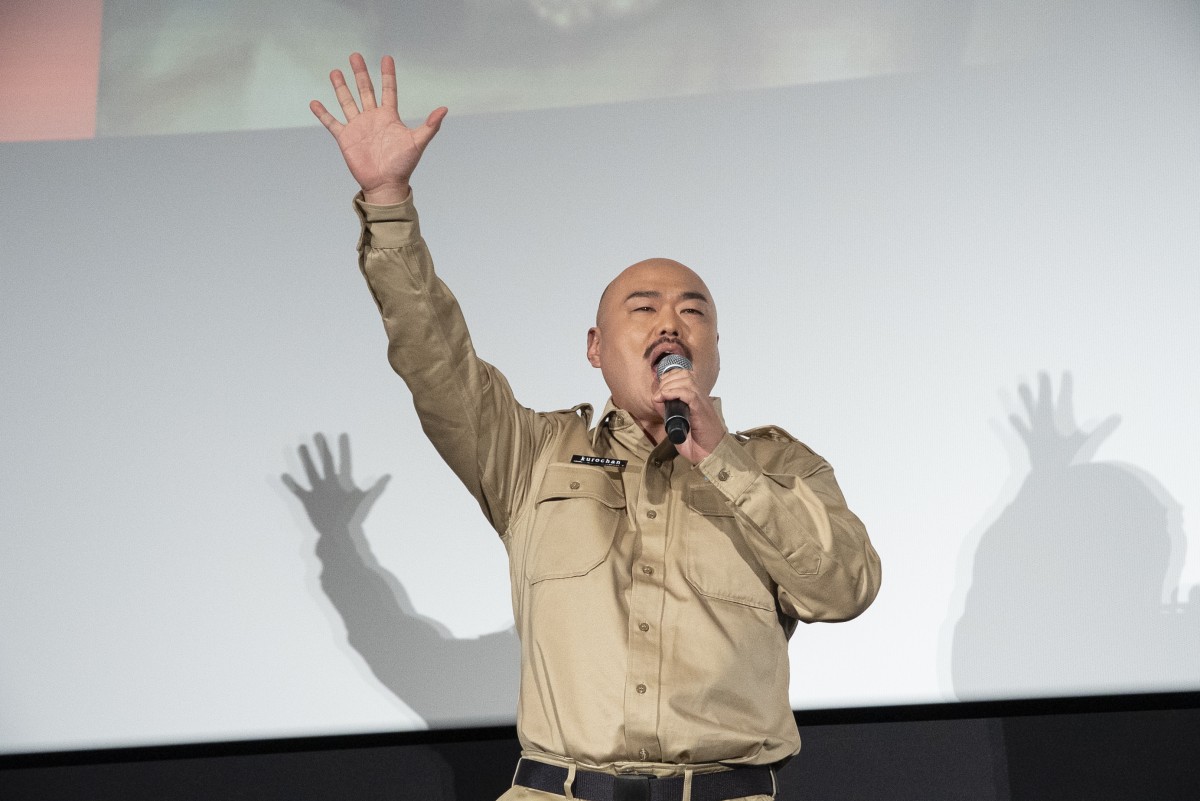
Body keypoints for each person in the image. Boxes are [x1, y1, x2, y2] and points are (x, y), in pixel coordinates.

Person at [311, 52, 881, 801]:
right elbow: (434, 356)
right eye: (643, 308)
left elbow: (843, 589)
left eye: (692, 311)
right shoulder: (533, 455)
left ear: (715, 348)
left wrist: (723, 461)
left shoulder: (781, 467)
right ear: (594, 347)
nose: (670, 323)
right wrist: (388, 204)